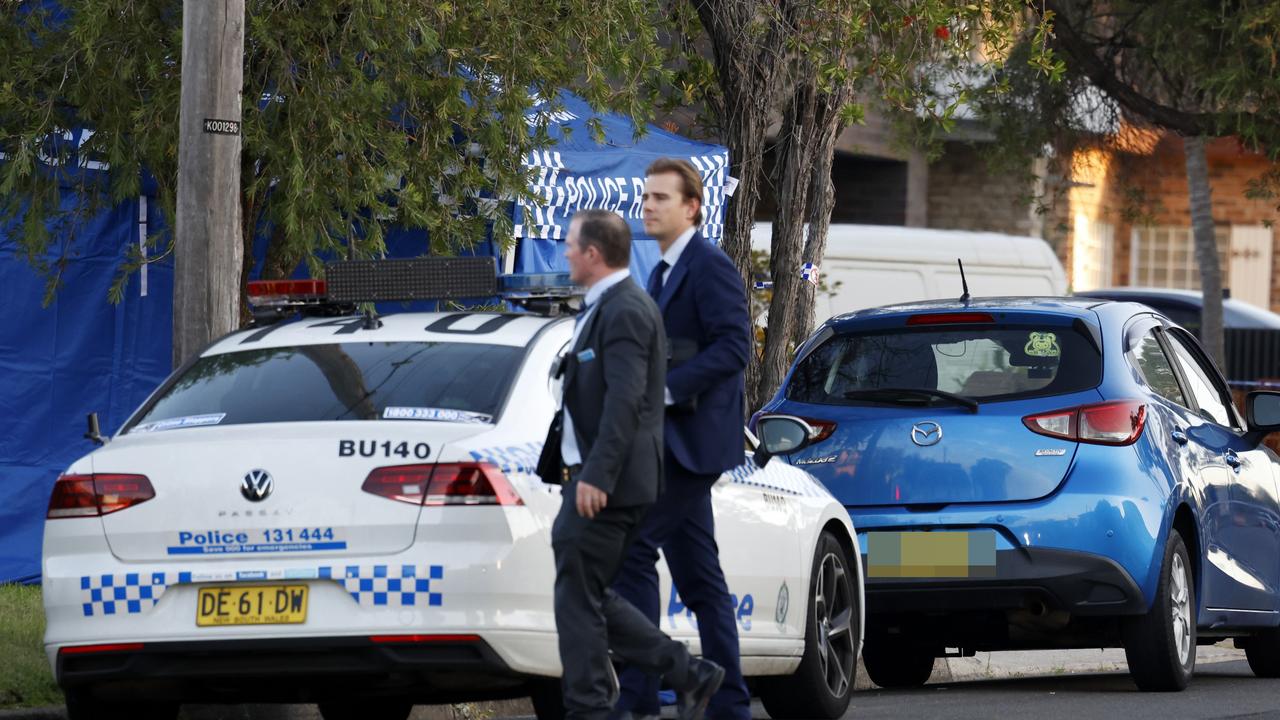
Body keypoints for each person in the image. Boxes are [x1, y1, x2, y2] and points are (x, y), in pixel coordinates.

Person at [536, 208, 725, 720]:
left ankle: (592, 708)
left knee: (577, 599)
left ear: (593, 254)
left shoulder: (625, 311)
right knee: (589, 594)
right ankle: (688, 672)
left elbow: (626, 402)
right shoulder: (602, 307)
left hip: (608, 483)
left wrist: (597, 475)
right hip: (594, 478)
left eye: (572, 244)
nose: (566, 252)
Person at [611, 159, 753, 720]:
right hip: (669, 445)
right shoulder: (661, 272)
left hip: (693, 446)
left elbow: (734, 346)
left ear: (692, 206)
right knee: (701, 580)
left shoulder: (709, 266)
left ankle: (640, 698)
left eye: (660, 198)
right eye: (645, 197)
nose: (648, 206)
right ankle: (731, 703)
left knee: (634, 554)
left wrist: (665, 391)